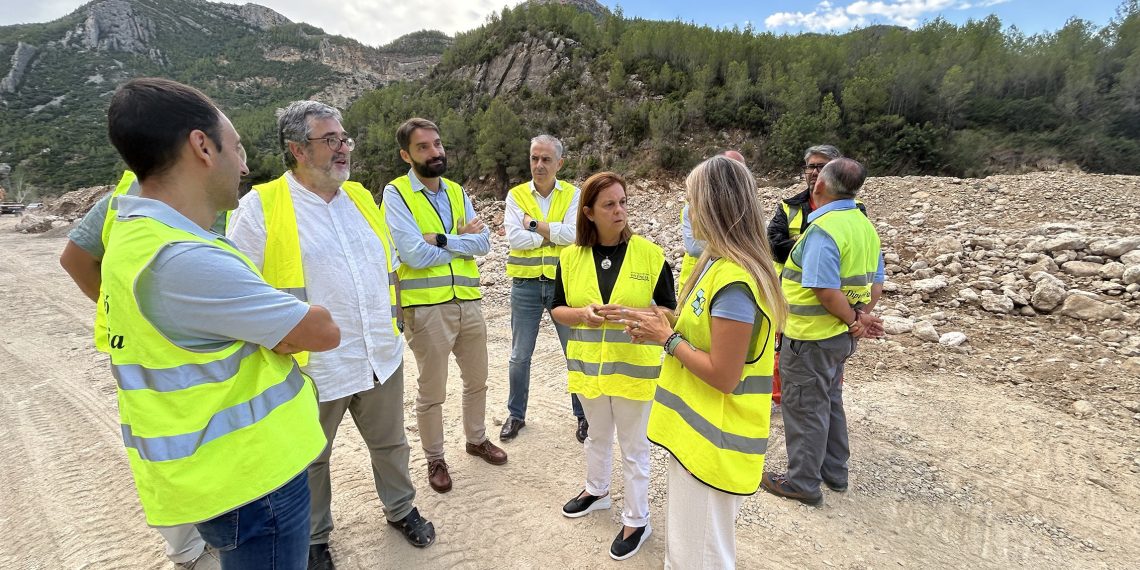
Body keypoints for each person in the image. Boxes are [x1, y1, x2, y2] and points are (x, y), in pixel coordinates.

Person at [102, 77, 338, 569]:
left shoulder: (137, 237)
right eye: (238, 147)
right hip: (253, 478)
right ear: (202, 146)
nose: (246, 165)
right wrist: (283, 319)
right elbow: (321, 331)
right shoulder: (184, 260)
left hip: (223, 475)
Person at [226, 101, 436, 569]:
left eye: (345, 139)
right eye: (331, 140)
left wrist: (395, 320)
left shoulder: (361, 197)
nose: (343, 149)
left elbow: (387, 270)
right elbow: (237, 290)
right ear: (297, 148)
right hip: (310, 367)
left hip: (377, 353)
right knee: (310, 459)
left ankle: (400, 508)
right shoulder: (261, 207)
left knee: (390, 444)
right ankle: (315, 537)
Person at [624, 156, 785, 568]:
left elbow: (725, 375)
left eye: (692, 201)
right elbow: (705, 331)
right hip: (697, 443)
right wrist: (667, 321)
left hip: (714, 446)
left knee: (699, 557)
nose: (687, 211)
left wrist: (668, 339)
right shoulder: (714, 265)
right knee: (691, 549)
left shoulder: (734, 281)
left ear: (714, 206)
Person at [59, 170, 220, 569]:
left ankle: (216, 530)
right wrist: (132, 314)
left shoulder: (217, 199)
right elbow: (75, 260)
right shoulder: (121, 201)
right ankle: (186, 547)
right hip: (149, 353)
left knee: (215, 436)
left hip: (206, 348)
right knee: (166, 443)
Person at [550, 171, 676, 561]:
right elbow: (557, 308)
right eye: (609, 204)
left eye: (623, 202)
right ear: (588, 212)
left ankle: (637, 519)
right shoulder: (570, 258)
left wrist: (633, 313)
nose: (619, 210)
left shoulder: (650, 255)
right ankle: (597, 491)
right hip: (590, 371)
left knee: (635, 448)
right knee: (596, 436)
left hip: (635, 371)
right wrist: (583, 315)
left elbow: (670, 312)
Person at [381, 117, 507, 494]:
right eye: (423, 147)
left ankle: (476, 439)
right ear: (406, 154)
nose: (435, 152)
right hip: (426, 308)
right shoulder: (397, 194)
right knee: (432, 391)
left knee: (477, 381)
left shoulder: (455, 191)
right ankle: (435, 458)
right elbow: (413, 255)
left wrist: (438, 238)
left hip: (468, 301)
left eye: (437, 144)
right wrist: (458, 240)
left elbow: (484, 244)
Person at [760, 158, 885, 507]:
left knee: (804, 408)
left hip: (810, 337)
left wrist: (851, 320)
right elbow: (875, 283)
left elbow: (825, 290)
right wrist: (860, 318)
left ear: (819, 187)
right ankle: (834, 471)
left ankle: (802, 482)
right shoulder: (863, 226)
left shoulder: (823, 230)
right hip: (839, 339)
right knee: (829, 401)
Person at [500, 134, 586, 443]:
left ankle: (583, 415)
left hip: (564, 286)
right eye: (534, 158)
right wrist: (551, 233)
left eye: (546, 159)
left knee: (574, 353)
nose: (539, 165)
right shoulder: (516, 195)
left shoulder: (574, 194)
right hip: (524, 286)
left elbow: (575, 235)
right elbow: (514, 238)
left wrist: (533, 224)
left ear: (559, 163)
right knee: (519, 356)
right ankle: (516, 414)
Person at [678, 150, 745, 287]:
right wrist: (735, 248)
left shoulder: (745, 207)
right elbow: (694, 248)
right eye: (734, 170)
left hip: (720, 280)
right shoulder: (691, 209)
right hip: (696, 279)